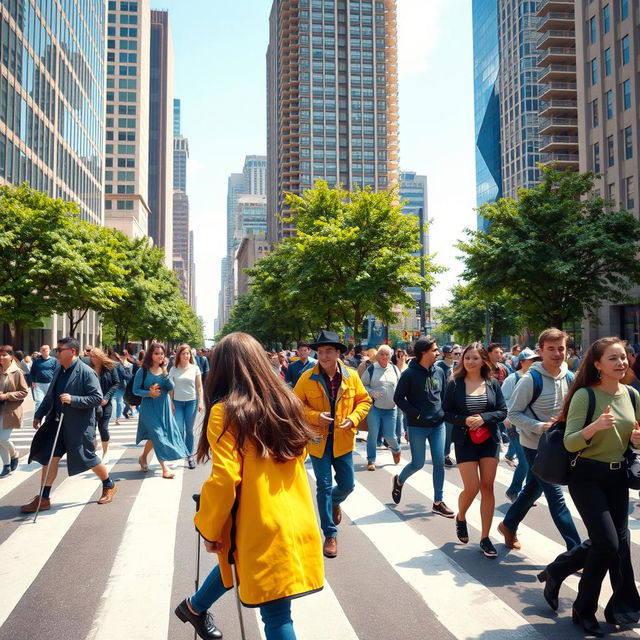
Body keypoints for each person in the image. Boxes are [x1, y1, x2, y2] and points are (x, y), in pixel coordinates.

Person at [174, 333, 323, 640]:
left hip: (258, 520)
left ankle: (194, 607)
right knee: (273, 604)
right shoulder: (288, 404)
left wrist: (210, 527)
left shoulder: (224, 412)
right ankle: (195, 607)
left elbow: (226, 477)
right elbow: (300, 454)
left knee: (276, 612)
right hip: (296, 516)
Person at [561, 338, 640, 635]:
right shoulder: (585, 395)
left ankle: (617, 606)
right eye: (613, 359)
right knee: (606, 543)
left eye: (623, 357)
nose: (621, 363)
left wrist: (636, 439)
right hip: (587, 477)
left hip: (618, 477)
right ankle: (584, 609)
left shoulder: (631, 395)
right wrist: (593, 428)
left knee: (618, 546)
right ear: (597, 364)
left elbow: (637, 434)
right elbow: (570, 441)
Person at [498, 328, 581, 551]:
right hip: (534, 446)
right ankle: (576, 550)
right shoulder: (530, 379)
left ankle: (508, 524)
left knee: (533, 488)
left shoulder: (570, 377)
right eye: (551, 349)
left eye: (561, 348)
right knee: (556, 496)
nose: (557, 353)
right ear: (541, 351)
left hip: (559, 446)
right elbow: (513, 414)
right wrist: (540, 426)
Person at [293, 330, 371, 558]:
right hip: (318, 441)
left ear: (338, 353)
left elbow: (364, 400)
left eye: (329, 351)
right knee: (323, 487)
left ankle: (334, 503)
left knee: (347, 486)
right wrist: (315, 416)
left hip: (344, 440)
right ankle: (330, 534)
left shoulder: (351, 376)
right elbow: (295, 405)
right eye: (321, 351)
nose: (324, 355)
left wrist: (354, 418)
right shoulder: (307, 378)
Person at [22, 337, 117, 512]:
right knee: (50, 459)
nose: (56, 353)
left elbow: (97, 398)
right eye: (56, 350)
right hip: (56, 424)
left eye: (59, 349)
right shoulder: (59, 369)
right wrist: (39, 414)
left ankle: (109, 484)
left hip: (78, 425)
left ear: (72, 352)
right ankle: (44, 498)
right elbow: (50, 394)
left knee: (88, 458)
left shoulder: (86, 372)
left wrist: (74, 399)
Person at [442, 342, 507, 557]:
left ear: (483, 361)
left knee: (487, 487)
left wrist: (484, 418)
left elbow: (502, 411)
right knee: (472, 487)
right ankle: (461, 517)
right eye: (467, 357)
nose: (470, 361)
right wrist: (464, 419)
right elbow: (447, 412)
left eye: (475, 358)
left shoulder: (492, 383)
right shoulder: (454, 383)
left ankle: (485, 538)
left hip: (489, 439)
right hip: (465, 440)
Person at [391, 337, 454, 518]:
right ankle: (399, 480)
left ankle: (438, 501)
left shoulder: (440, 371)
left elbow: (443, 396)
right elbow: (398, 398)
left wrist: (443, 412)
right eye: (434, 350)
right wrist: (415, 413)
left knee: (439, 462)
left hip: (438, 425)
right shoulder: (409, 374)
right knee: (417, 463)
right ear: (423, 353)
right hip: (418, 426)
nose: (437, 352)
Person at [134, 342, 190, 478]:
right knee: (158, 435)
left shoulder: (165, 369)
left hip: (163, 407)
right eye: (156, 353)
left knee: (155, 437)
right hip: (148, 408)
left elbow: (170, 386)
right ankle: (164, 468)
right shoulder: (143, 370)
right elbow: (135, 390)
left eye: (161, 353)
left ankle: (143, 457)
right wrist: (149, 393)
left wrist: (165, 371)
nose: (159, 356)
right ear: (150, 355)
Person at [500, 348, 539, 501]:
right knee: (524, 462)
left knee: (532, 463)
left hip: (532, 427)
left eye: (536, 360)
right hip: (515, 426)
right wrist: (507, 417)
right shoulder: (512, 379)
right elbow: (502, 401)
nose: (535, 363)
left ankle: (527, 493)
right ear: (522, 362)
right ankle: (514, 490)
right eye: (531, 360)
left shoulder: (537, 378)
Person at [360, 344, 401, 470]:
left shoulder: (394, 369)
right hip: (375, 407)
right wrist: (372, 392)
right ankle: (371, 460)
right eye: (381, 354)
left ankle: (396, 448)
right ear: (377, 355)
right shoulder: (372, 369)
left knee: (390, 436)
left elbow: (400, 387)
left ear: (390, 356)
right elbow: (363, 385)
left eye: (387, 354)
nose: (384, 356)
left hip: (391, 408)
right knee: (373, 434)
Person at [169, 343, 204, 470]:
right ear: (179, 355)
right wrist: (171, 402)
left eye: (188, 353)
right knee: (178, 430)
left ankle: (189, 456)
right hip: (177, 403)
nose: (186, 355)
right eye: (183, 353)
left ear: (191, 355)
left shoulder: (195, 368)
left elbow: (199, 386)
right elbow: (170, 388)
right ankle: (179, 455)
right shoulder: (174, 369)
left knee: (189, 430)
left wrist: (201, 401)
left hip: (191, 402)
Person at [0, 346, 28, 477]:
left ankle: (14, 454)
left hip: (10, 410)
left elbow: (24, 392)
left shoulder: (17, 372)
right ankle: (6, 465)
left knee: (3, 438)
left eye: (4, 355)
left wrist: (6, 396)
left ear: (11, 356)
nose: (1, 357)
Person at [437, 345, 457, 468]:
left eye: (453, 352)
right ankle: (445, 455)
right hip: (444, 404)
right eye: (448, 352)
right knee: (447, 431)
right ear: (444, 354)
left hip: (457, 404)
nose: (451, 354)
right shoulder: (439, 367)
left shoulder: (457, 366)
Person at [30, 344, 58, 412]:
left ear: (49, 351)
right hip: (38, 384)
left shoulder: (54, 360)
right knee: (39, 401)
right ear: (40, 351)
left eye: (46, 350)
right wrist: (33, 381)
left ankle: (49, 418)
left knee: (50, 402)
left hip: (50, 384)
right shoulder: (36, 361)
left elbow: (57, 372)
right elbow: (32, 372)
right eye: (43, 350)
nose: (45, 352)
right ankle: (37, 418)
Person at [392, 348, 410, 444]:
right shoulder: (393, 368)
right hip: (397, 396)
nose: (401, 357)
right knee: (398, 417)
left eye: (403, 355)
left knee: (407, 417)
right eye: (399, 355)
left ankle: (408, 434)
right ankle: (398, 437)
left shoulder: (409, 368)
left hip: (408, 397)